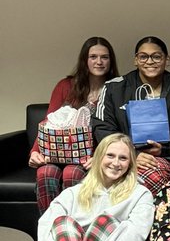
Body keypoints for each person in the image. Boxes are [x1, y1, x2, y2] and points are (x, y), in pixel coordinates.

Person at [93, 36, 170, 195]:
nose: (150, 61)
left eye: (157, 56)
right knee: (98, 183)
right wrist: (132, 154)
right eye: (143, 56)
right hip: (120, 156)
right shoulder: (114, 88)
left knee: (145, 180)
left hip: (162, 159)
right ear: (136, 60)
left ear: (167, 60)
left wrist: (163, 150)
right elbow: (102, 128)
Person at [30, 36, 118, 211]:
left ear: (111, 61)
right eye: (93, 57)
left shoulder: (117, 88)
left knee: (72, 174)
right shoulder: (65, 86)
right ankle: (50, 230)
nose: (99, 62)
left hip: (91, 157)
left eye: (104, 57)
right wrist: (34, 152)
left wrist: (102, 157)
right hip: (56, 151)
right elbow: (49, 122)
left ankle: (74, 231)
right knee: (45, 173)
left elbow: (119, 132)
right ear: (85, 60)